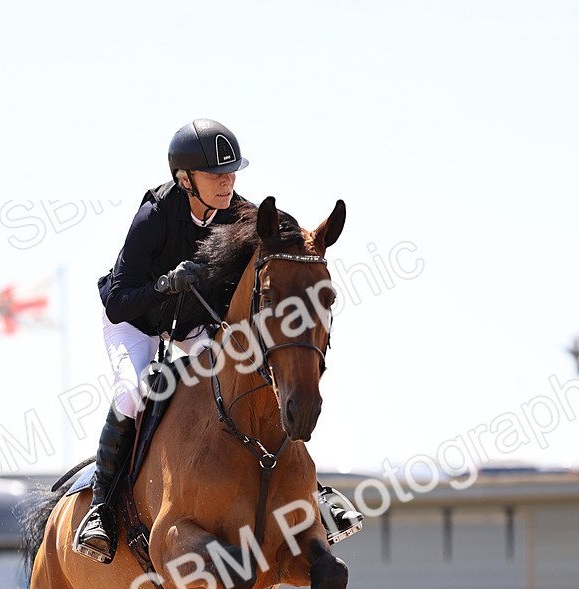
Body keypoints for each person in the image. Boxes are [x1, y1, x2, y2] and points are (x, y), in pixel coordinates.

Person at [76, 117, 363, 562]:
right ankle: (99, 514)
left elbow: (287, 241)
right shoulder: (154, 216)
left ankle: (315, 492)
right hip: (136, 321)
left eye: (231, 173)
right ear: (185, 179)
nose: (227, 182)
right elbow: (118, 301)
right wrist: (165, 286)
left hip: (193, 325)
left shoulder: (239, 213)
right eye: (216, 174)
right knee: (132, 394)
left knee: (250, 378)